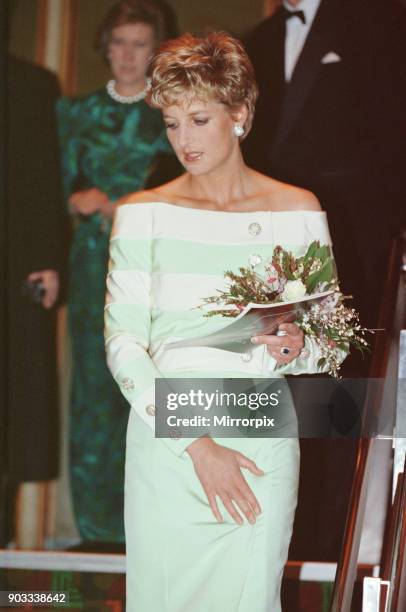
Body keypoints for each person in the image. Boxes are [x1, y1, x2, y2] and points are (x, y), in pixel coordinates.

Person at [105, 32, 347, 610]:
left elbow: (330, 341)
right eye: (171, 123)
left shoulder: (296, 208)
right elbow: (123, 346)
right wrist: (196, 443)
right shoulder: (144, 214)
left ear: (240, 114)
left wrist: (296, 344)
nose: (183, 140)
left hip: (259, 431)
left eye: (198, 119)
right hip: (170, 442)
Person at [242, 0, 406, 560]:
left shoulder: (378, 23)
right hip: (271, 247)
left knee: (342, 387)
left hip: (354, 243)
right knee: (283, 386)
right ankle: (294, 536)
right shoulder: (256, 38)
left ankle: (335, 539)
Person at [57, 0, 179, 546]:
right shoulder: (74, 113)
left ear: (156, 51)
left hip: (158, 273)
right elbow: (43, 191)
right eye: (120, 43)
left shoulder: (171, 114)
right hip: (91, 271)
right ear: (105, 47)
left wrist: (114, 205)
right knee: (93, 394)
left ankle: (154, 523)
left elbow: (187, 195)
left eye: (140, 44)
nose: (128, 55)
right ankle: (98, 530)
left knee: (155, 389)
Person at [2, 56, 65, 547]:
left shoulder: (27, 84)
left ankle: (13, 584)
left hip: (10, 271)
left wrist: (48, 258)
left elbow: (45, 176)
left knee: (10, 424)